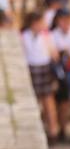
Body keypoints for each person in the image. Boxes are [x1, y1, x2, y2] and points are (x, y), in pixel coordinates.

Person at [22, 11, 61, 141]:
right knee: (34, 101)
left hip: (44, 68)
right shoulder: (24, 36)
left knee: (48, 101)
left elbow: (55, 55)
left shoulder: (46, 36)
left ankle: (53, 130)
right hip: (31, 69)